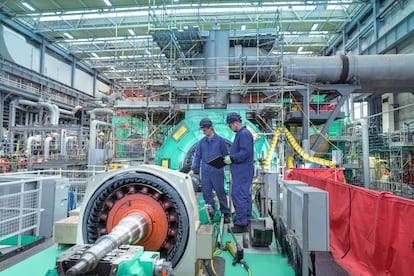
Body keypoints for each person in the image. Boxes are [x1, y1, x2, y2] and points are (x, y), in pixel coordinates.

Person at [189, 118, 231, 223]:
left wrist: (229, 167)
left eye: (204, 129)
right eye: (202, 130)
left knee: (220, 192)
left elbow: (226, 156)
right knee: (206, 193)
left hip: (217, 169)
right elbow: (197, 156)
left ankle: (226, 213)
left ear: (210, 128)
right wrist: (194, 168)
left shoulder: (220, 141)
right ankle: (211, 214)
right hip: (205, 170)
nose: (203, 132)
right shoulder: (201, 142)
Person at [224, 112, 254, 233]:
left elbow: (245, 152)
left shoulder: (244, 134)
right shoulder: (242, 134)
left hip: (242, 171)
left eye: (230, 126)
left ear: (235, 123)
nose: (230, 128)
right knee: (245, 195)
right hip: (242, 170)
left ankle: (241, 224)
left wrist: (232, 158)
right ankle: (247, 220)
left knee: (239, 195)